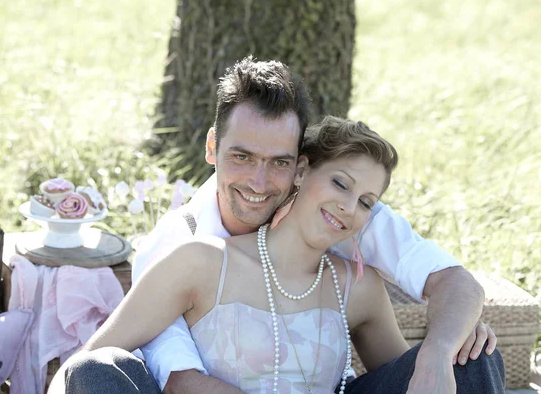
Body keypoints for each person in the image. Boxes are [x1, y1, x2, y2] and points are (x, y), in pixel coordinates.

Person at [51, 57, 504, 393]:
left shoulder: (355, 255)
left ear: (297, 168)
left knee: (475, 356)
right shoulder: (187, 251)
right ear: (213, 148)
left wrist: (444, 345)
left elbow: (446, 299)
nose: (259, 182)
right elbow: (161, 375)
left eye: (278, 163)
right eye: (242, 157)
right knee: (95, 370)